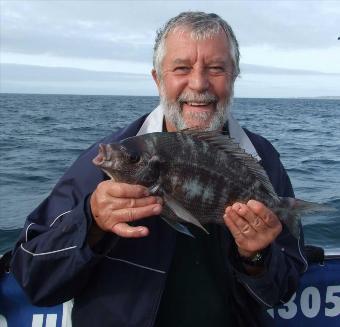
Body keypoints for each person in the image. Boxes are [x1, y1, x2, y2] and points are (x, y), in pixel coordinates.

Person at [11, 12, 308, 327]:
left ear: (233, 77)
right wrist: (92, 221)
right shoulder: (112, 160)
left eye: (216, 68)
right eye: (181, 68)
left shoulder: (261, 158)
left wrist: (256, 259)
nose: (198, 84)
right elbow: (33, 277)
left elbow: (282, 289)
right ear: (158, 78)